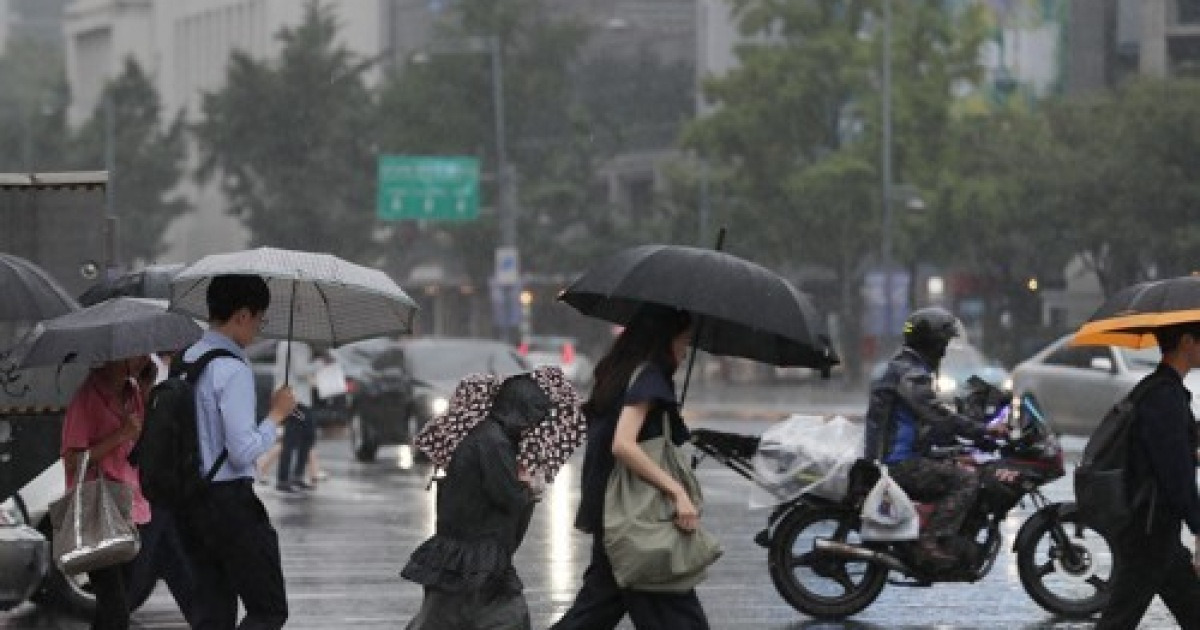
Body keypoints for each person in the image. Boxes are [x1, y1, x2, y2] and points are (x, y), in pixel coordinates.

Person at [550, 304, 710, 630]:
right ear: (664, 340)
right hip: (635, 516)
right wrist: (678, 491)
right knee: (674, 611)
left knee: (597, 609)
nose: (683, 352)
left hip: (614, 510)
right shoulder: (650, 376)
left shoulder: (618, 373)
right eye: (682, 342)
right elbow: (623, 444)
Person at [176, 274, 296, 630]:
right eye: (259, 319)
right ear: (242, 315)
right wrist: (276, 415)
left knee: (213, 614)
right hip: (230, 505)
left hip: (190, 501)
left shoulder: (186, 359)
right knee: (268, 609)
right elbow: (242, 451)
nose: (258, 330)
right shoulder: (231, 368)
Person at [401, 373, 552, 630]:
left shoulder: (490, 439)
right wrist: (528, 488)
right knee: (502, 619)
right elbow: (509, 500)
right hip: (472, 561)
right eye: (530, 420)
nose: (531, 428)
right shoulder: (493, 443)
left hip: (469, 560)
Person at [862, 306, 997, 570]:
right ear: (931, 343)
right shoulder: (911, 374)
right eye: (943, 343)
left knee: (962, 461)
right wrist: (982, 430)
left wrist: (958, 442)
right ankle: (931, 541)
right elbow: (936, 414)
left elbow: (923, 426)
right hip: (897, 465)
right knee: (967, 480)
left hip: (897, 457)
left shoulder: (906, 367)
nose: (945, 350)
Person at [1096, 321, 1200, 629]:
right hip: (1150, 530)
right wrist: (1198, 524)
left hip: (1155, 529)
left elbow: (1172, 447)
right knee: (1119, 619)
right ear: (1186, 342)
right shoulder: (1163, 397)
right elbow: (1175, 473)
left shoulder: (1160, 390)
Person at [60, 355, 152, 630]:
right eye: (137, 352)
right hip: (97, 514)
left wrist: (145, 392)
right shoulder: (87, 398)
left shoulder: (132, 391)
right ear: (117, 355)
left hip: (131, 509)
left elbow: (137, 445)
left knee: (113, 607)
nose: (145, 358)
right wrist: (120, 435)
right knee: (115, 610)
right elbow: (73, 461)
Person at [124, 352, 199, 625]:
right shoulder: (143, 371)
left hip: (164, 490)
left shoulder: (177, 370)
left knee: (175, 564)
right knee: (140, 571)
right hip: (147, 489)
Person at [273, 340, 318, 493]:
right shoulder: (297, 344)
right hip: (297, 399)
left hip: (291, 396)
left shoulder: (285, 343)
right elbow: (300, 370)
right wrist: (320, 364)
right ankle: (285, 478)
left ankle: (292, 476)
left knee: (300, 436)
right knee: (297, 437)